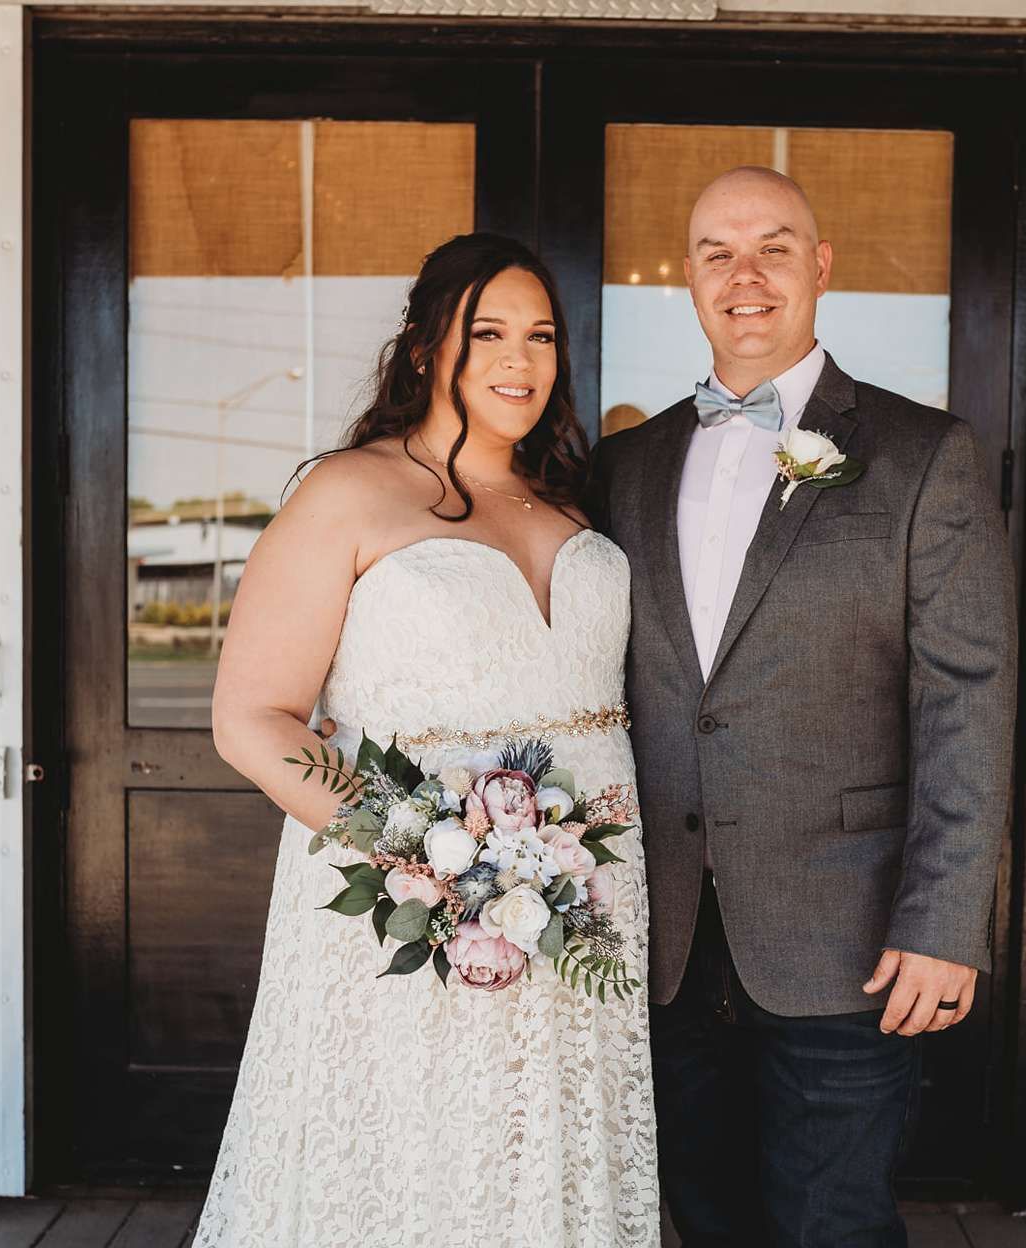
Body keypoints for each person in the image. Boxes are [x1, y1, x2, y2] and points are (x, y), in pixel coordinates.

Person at [194, 233, 659, 1248]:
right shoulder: (348, 491)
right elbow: (251, 719)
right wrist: (433, 855)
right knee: (417, 1149)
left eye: (541, 336)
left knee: (545, 1150)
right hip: (418, 903)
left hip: (587, 902)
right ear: (422, 350)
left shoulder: (575, 498)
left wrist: (539, 873)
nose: (519, 359)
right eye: (486, 331)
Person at [589, 167, 1018, 1246]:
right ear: (685, 279)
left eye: (775, 246)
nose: (746, 275)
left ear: (820, 267)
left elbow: (968, 703)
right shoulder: (619, 470)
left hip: (850, 940)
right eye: (716, 251)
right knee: (706, 1221)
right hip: (666, 941)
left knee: (832, 1225)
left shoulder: (925, 457)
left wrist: (945, 925)